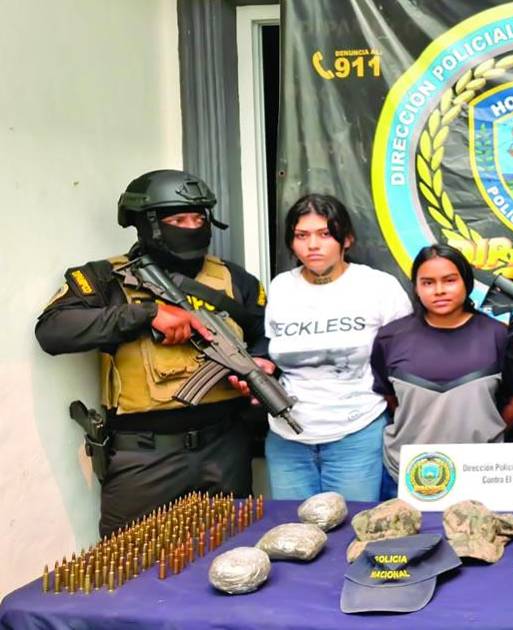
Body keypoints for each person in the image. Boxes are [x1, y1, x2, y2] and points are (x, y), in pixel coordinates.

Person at [35, 169, 267, 536]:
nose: (192, 227)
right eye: (178, 220)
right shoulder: (106, 278)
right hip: (144, 457)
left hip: (225, 450)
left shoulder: (234, 279)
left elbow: (264, 333)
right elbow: (53, 331)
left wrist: (262, 361)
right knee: (131, 562)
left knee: (232, 554)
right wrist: (146, 315)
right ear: (147, 224)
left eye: (199, 218)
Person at [237, 194, 410, 502]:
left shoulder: (379, 287)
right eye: (302, 235)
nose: (312, 245)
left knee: (352, 525)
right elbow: (271, 347)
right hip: (286, 438)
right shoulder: (281, 287)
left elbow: (405, 360)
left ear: (347, 239)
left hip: (357, 432)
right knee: (293, 525)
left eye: (325, 234)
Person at [371, 244, 513, 498]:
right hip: (406, 472)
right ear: (416, 287)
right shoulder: (391, 337)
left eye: (450, 280)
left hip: (481, 473)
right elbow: (390, 398)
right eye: (428, 283)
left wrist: (484, 436)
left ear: (467, 283)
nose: (439, 290)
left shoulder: (498, 335)